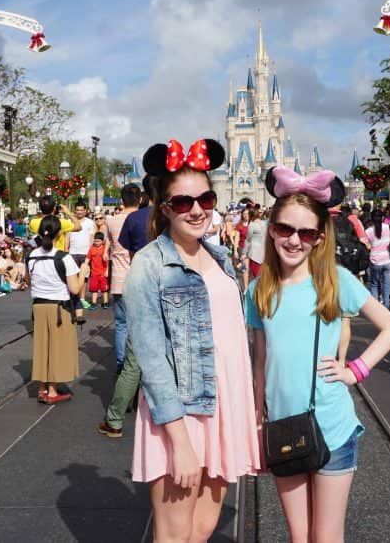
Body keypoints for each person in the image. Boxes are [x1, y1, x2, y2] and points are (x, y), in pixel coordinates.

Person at [248, 165, 390, 542]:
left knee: (326, 536)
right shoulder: (259, 289)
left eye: (306, 232)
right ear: (271, 230)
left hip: (331, 426)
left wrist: (355, 370)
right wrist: (255, 420)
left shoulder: (335, 281)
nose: (294, 240)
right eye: (285, 229)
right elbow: (261, 360)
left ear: (319, 238)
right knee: (299, 536)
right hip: (283, 426)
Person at [123, 137, 260, 542]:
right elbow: (151, 359)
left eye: (206, 198)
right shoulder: (149, 265)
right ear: (164, 208)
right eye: (183, 202)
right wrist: (180, 441)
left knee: (202, 529)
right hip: (181, 415)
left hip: (222, 410)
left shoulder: (218, 256)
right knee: (174, 535)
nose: (197, 209)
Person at [97, 182, 154, 441]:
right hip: (168, 290)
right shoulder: (173, 216)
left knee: (132, 359)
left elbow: (131, 254)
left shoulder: (130, 219)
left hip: (135, 285)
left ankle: (116, 418)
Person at [27, 215, 82, 404]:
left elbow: (29, 281)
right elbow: (75, 289)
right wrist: (84, 274)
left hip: (38, 307)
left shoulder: (32, 255)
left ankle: (42, 388)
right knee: (58, 348)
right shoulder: (63, 257)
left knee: (42, 347)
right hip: (59, 308)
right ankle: (52, 391)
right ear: (60, 233)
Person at [107, 184, 141, 371]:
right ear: (140, 200)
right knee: (139, 324)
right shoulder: (142, 219)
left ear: (121, 201)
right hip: (138, 278)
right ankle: (136, 364)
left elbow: (111, 245)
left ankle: (121, 363)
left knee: (121, 324)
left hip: (118, 279)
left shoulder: (111, 221)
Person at [67, 201, 97, 316]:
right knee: (72, 276)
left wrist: (90, 253)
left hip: (85, 253)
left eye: (81, 210)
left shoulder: (90, 223)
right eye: (77, 210)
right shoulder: (71, 222)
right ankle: (74, 298)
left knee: (84, 277)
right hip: (73, 253)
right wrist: (66, 250)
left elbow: (92, 238)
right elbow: (67, 236)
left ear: (85, 211)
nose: (79, 212)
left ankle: (82, 298)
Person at [365, 209, 390, 308]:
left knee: (374, 284)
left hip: (375, 261)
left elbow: (367, 246)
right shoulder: (388, 228)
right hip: (387, 260)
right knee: (387, 285)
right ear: (382, 218)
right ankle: (387, 306)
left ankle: (376, 307)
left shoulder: (368, 231)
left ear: (372, 219)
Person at [242, 206, 268, 280]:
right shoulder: (265, 223)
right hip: (265, 253)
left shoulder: (252, 225)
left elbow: (248, 240)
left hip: (254, 254)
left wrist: (244, 253)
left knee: (256, 276)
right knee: (263, 275)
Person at [86, 232, 110, 309]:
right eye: (95, 241)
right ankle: (94, 303)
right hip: (94, 273)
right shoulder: (91, 249)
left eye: (98, 241)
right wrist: (85, 265)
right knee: (94, 289)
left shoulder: (105, 249)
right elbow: (88, 258)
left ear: (102, 241)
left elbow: (108, 261)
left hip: (103, 273)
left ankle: (105, 302)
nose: (96, 243)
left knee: (104, 289)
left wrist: (107, 271)